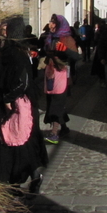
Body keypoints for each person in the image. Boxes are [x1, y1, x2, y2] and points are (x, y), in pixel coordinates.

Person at [0, 16, 48, 196]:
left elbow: (22, 81)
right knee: (18, 145)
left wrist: (9, 98)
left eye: (5, 28)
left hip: (17, 107)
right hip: (20, 105)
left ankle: (20, 181)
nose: (2, 30)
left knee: (15, 144)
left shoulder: (13, 52)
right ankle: (23, 181)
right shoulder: (17, 50)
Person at [40, 14, 78, 144]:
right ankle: (65, 128)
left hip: (62, 75)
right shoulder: (49, 38)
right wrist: (35, 54)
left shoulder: (67, 38)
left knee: (56, 104)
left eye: (54, 23)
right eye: (50, 22)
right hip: (50, 74)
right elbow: (43, 52)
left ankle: (54, 133)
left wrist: (66, 50)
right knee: (52, 103)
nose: (51, 25)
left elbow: (77, 57)